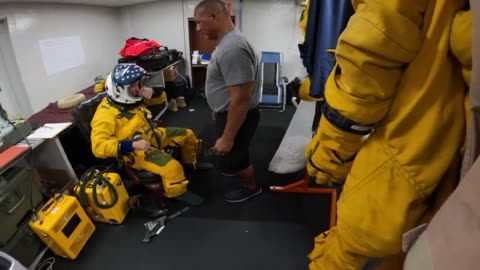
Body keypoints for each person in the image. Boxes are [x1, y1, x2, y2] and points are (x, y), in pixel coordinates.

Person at [304, 0, 470, 269]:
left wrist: (332, 149)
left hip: (411, 142)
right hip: (451, 147)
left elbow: (372, 48)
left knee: (349, 247)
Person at [91, 63, 205, 206]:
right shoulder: (104, 114)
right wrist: (132, 145)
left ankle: (190, 164)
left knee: (188, 135)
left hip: (151, 135)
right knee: (173, 168)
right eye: (133, 86)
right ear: (119, 90)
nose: (138, 88)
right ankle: (178, 193)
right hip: (135, 151)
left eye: (138, 84)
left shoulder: (130, 99)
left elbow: (160, 98)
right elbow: (98, 147)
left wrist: (152, 91)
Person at [193, 0, 262, 203]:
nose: (197, 28)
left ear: (214, 17)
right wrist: (217, 108)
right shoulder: (227, 42)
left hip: (239, 113)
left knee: (236, 155)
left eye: (199, 22)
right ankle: (233, 165)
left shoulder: (233, 48)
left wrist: (228, 137)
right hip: (229, 111)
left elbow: (241, 99)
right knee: (230, 154)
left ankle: (251, 187)